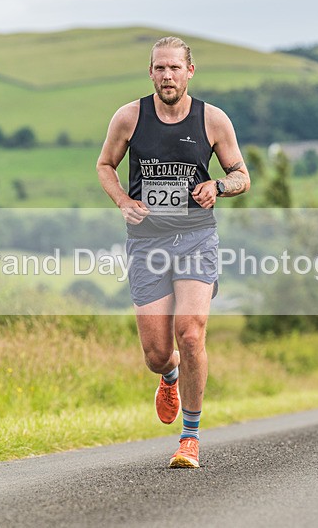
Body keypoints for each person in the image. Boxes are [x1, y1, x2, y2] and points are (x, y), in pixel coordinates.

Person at [96, 37, 250, 468]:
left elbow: (241, 175)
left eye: (175, 69)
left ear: (190, 71)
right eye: (160, 69)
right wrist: (124, 202)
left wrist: (217, 186)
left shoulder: (213, 120)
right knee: (157, 353)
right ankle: (169, 375)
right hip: (147, 244)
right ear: (151, 73)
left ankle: (190, 437)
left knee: (191, 331)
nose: (167, 76)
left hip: (196, 239)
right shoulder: (129, 118)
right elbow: (105, 165)